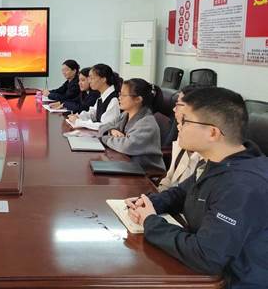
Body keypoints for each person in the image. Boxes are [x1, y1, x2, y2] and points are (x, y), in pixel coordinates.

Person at [125, 87, 268, 288]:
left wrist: (151, 222)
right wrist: (149, 203)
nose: (178, 125)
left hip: (232, 282)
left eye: (186, 121)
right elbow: (182, 192)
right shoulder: (220, 160)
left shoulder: (242, 185)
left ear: (212, 132)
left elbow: (206, 256)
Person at [98, 78, 165, 172]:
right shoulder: (125, 114)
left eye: (123, 95)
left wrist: (104, 138)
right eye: (120, 94)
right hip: (125, 163)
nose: (119, 98)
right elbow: (103, 127)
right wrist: (111, 130)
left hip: (144, 171)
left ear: (138, 99)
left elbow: (126, 146)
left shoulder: (147, 123)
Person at [157, 85, 203, 191]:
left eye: (178, 104)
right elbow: (170, 175)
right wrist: (158, 193)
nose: (174, 109)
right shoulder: (181, 132)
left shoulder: (206, 154)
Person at [67, 63, 120, 130]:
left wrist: (79, 122)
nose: (89, 81)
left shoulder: (114, 99)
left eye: (92, 78)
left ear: (103, 79)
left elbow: (105, 126)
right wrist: (78, 117)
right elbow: (93, 114)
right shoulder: (102, 96)